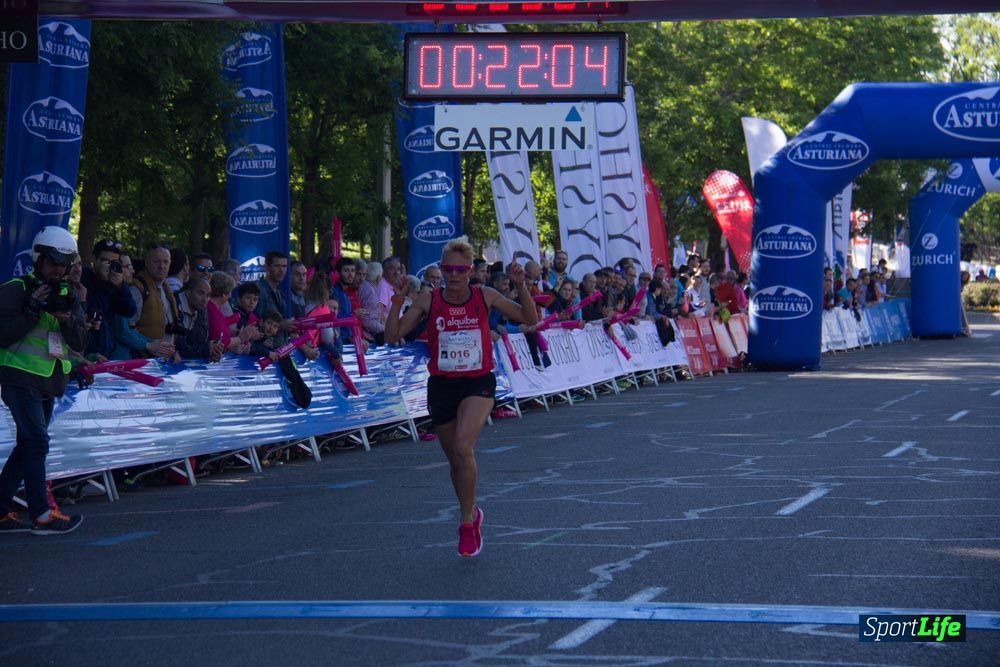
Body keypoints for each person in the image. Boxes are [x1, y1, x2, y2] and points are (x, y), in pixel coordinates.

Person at [385, 238, 537, 558]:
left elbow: (529, 318)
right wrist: (399, 299)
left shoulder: (485, 295)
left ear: (469, 272)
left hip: (477, 382)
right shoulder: (428, 300)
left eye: (461, 270)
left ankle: (466, 523)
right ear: (441, 269)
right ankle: (470, 511)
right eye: (449, 269)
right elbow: (393, 335)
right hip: (442, 385)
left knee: (463, 447)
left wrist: (521, 285)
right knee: (455, 460)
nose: (454, 275)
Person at [0, 226, 87, 535]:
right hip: (19, 376)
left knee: (28, 445)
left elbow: (80, 341)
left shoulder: (67, 294)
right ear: (38, 259)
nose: (59, 270)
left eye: (64, 264)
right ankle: (41, 515)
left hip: (50, 381)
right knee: (36, 441)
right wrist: (31, 312)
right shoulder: (14, 289)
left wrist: (68, 320)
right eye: (53, 262)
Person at [82, 239, 137, 360]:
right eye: (104, 261)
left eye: (113, 262)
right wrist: (103, 281)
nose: (108, 266)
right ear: (94, 259)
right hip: (85, 355)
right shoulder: (83, 278)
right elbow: (93, 309)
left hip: (104, 355)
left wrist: (120, 286)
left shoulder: (113, 284)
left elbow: (130, 311)